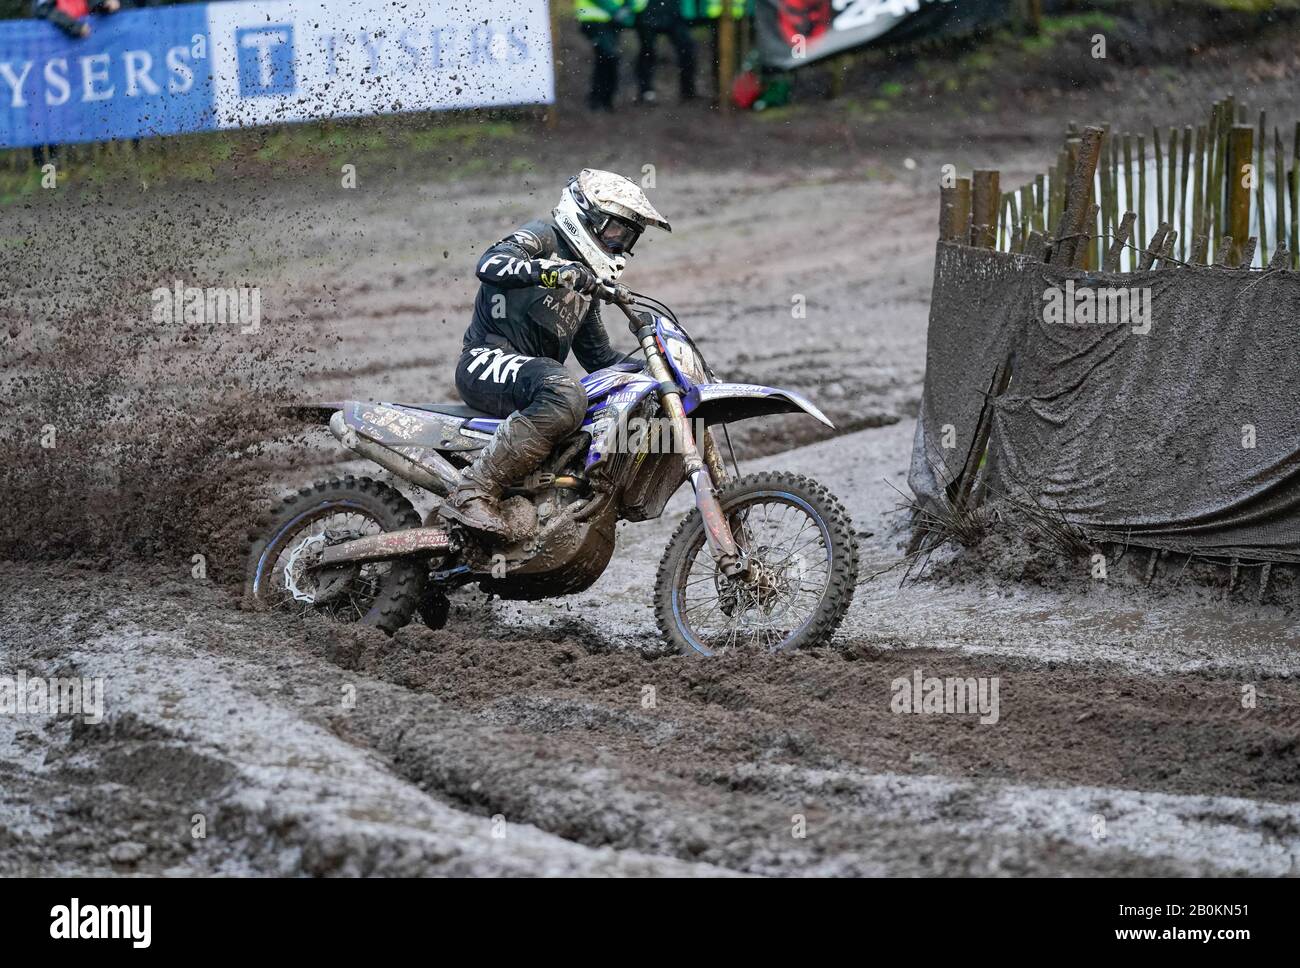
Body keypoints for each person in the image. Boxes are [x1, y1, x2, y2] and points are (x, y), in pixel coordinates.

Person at [439, 170, 672, 537]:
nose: (620, 244)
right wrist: (553, 272)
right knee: (566, 394)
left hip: (532, 377)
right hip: (485, 360)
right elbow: (489, 265)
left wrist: (656, 373)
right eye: (615, 231)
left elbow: (600, 359)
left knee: (605, 397)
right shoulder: (544, 236)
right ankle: (473, 492)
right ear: (586, 215)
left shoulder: (584, 289)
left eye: (628, 237)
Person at [575, 0, 635, 112]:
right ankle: (599, 99)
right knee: (608, 57)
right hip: (594, 20)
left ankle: (604, 99)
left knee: (606, 59)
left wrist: (627, 7)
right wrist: (616, 10)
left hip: (611, 22)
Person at [634, 0, 697, 103]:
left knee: (687, 49)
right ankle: (645, 91)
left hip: (674, 12)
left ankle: (688, 90)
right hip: (648, 10)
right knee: (647, 51)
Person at [31, 0, 120, 38]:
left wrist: (104, 5)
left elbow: (94, 4)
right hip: (59, 44)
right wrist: (74, 26)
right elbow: (44, 9)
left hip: (89, 41)